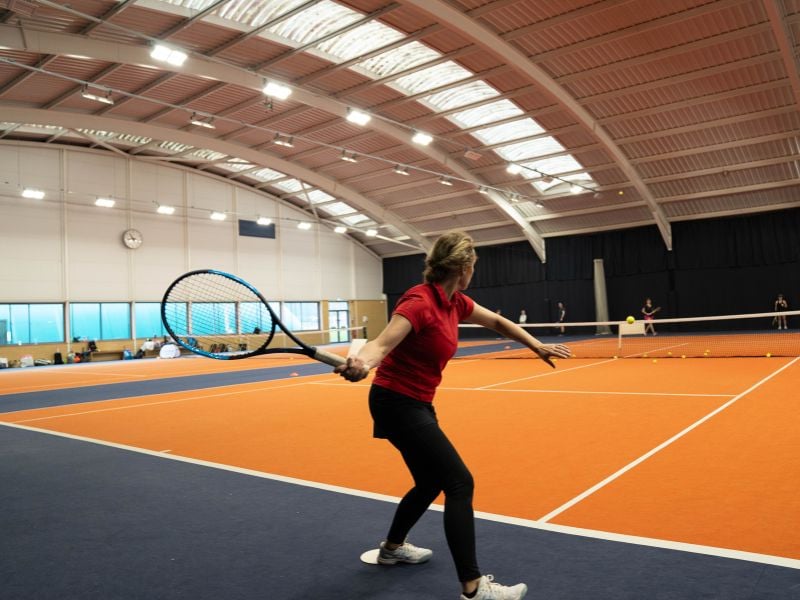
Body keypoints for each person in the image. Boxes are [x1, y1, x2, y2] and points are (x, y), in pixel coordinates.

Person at [335, 231, 571, 600]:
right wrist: (361, 363)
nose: (473, 272)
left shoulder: (455, 302)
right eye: (473, 266)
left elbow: (497, 322)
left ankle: (392, 549)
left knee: (430, 482)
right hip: (396, 400)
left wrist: (536, 344)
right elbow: (382, 342)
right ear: (462, 267)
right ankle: (474, 588)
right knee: (460, 482)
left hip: (416, 402)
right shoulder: (419, 302)